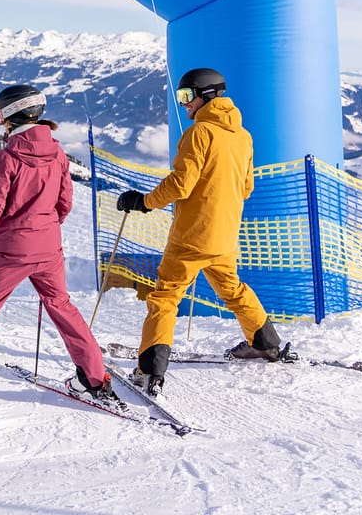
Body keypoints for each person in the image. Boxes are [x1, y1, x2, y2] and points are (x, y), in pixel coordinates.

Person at [0, 84, 116, 415]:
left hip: (10, 253)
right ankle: (94, 378)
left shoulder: (7, 158)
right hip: (48, 248)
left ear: (9, 114)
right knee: (62, 307)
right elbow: (65, 204)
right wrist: (44, 228)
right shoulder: (58, 153)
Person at [116, 68, 283, 395]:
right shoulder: (243, 136)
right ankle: (266, 343)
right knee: (233, 290)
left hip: (191, 237)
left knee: (165, 298)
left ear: (206, 95)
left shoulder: (199, 133)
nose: (184, 105)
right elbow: (246, 187)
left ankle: (150, 370)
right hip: (224, 237)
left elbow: (181, 184)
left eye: (187, 96)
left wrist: (145, 202)